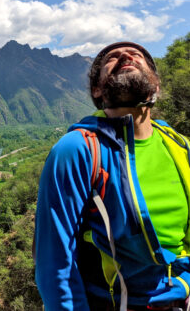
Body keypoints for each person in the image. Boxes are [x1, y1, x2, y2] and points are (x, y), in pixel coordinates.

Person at [34, 42, 190, 311]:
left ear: (156, 87)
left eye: (137, 55)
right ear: (98, 90)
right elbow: (55, 261)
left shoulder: (180, 146)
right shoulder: (78, 150)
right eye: (112, 57)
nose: (127, 55)